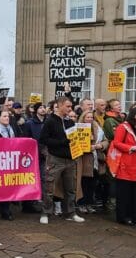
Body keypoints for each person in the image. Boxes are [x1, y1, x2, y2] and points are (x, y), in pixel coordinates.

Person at [39, 96, 84, 224]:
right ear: (60, 105)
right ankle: (46, 212)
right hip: (55, 159)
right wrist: (61, 142)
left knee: (70, 188)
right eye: (68, 106)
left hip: (70, 159)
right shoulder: (50, 121)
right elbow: (43, 139)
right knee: (50, 187)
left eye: (71, 106)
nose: (70, 109)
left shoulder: (70, 121)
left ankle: (70, 212)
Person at [112, 107, 136, 225]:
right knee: (125, 192)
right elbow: (116, 143)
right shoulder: (123, 127)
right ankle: (124, 216)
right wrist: (131, 148)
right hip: (127, 164)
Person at [76, 111, 107, 214]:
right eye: (87, 117)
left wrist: (101, 145)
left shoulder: (98, 129)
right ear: (83, 118)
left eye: (91, 117)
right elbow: (75, 143)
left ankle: (89, 204)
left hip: (96, 160)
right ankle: (82, 204)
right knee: (84, 183)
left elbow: (106, 141)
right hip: (84, 160)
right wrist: (88, 147)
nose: (89, 119)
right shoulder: (78, 128)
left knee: (93, 184)